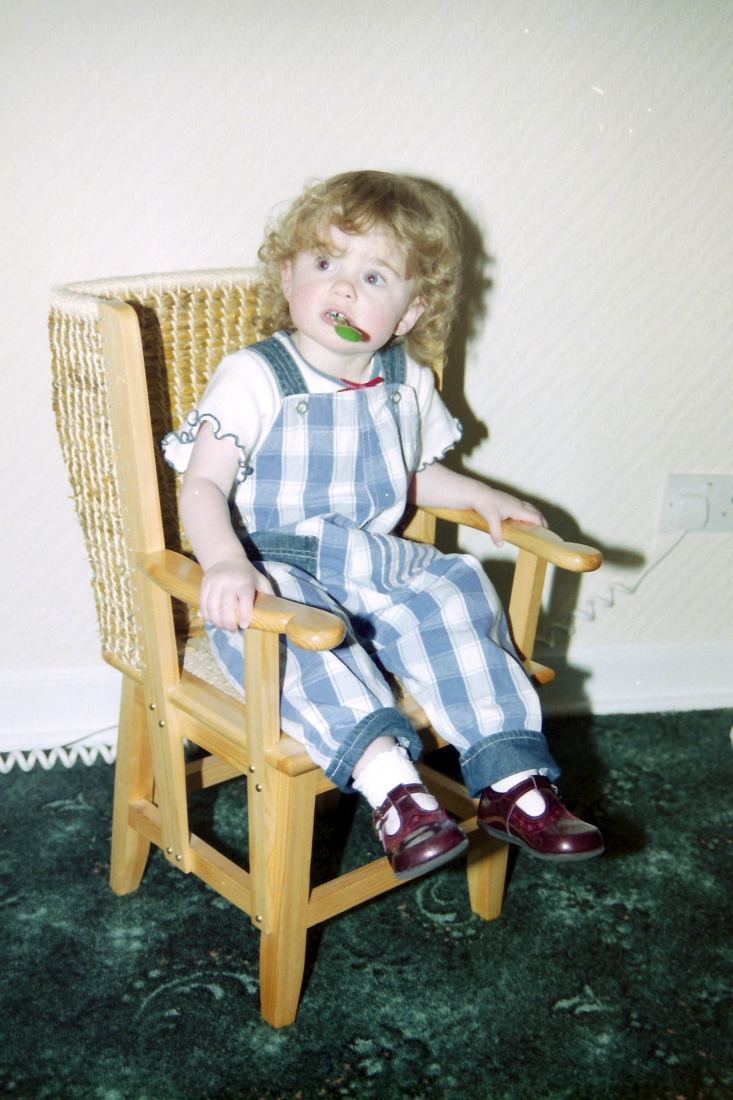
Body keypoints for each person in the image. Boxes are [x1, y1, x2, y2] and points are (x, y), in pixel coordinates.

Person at [163, 170, 603, 881]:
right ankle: (392, 786)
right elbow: (204, 482)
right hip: (274, 563)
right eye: (324, 263)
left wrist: (480, 494)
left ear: (407, 313)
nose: (341, 289)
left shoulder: (405, 380)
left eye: (372, 277)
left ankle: (510, 780)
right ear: (287, 275)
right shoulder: (255, 375)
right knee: (293, 630)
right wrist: (223, 562)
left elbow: (408, 473)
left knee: (454, 588)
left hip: (367, 558)